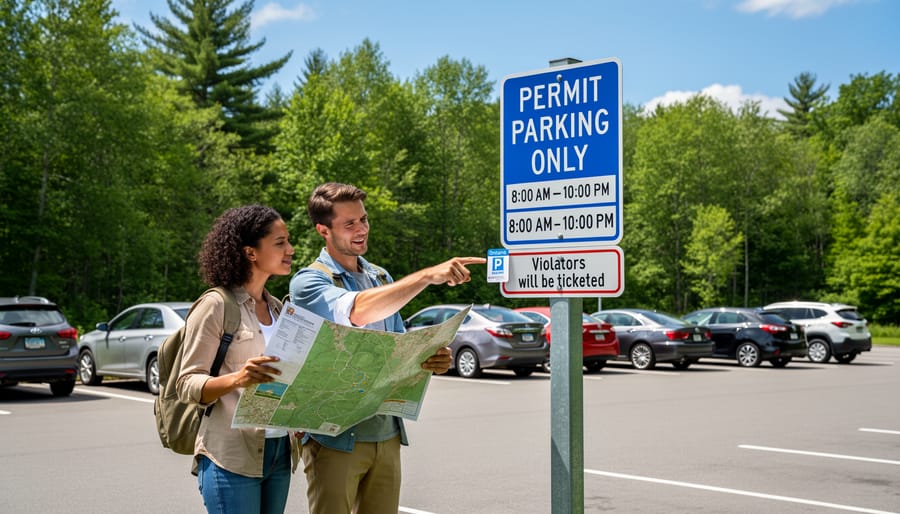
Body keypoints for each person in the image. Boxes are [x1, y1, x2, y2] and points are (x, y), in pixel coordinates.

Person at [289, 182, 486, 514]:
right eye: (349, 223)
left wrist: (429, 358)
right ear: (323, 230)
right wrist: (426, 276)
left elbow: (399, 347)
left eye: (364, 219)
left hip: (386, 433)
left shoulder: (381, 277)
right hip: (334, 437)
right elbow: (357, 311)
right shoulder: (308, 282)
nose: (362, 229)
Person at [178, 204, 302, 514]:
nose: (291, 249)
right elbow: (186, 383)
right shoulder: (216, 306)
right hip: (229, 453)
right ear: (250, 252)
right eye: (280, 242)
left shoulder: (279, 309)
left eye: (288, 241)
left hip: (278, 451)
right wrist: (238, 379)